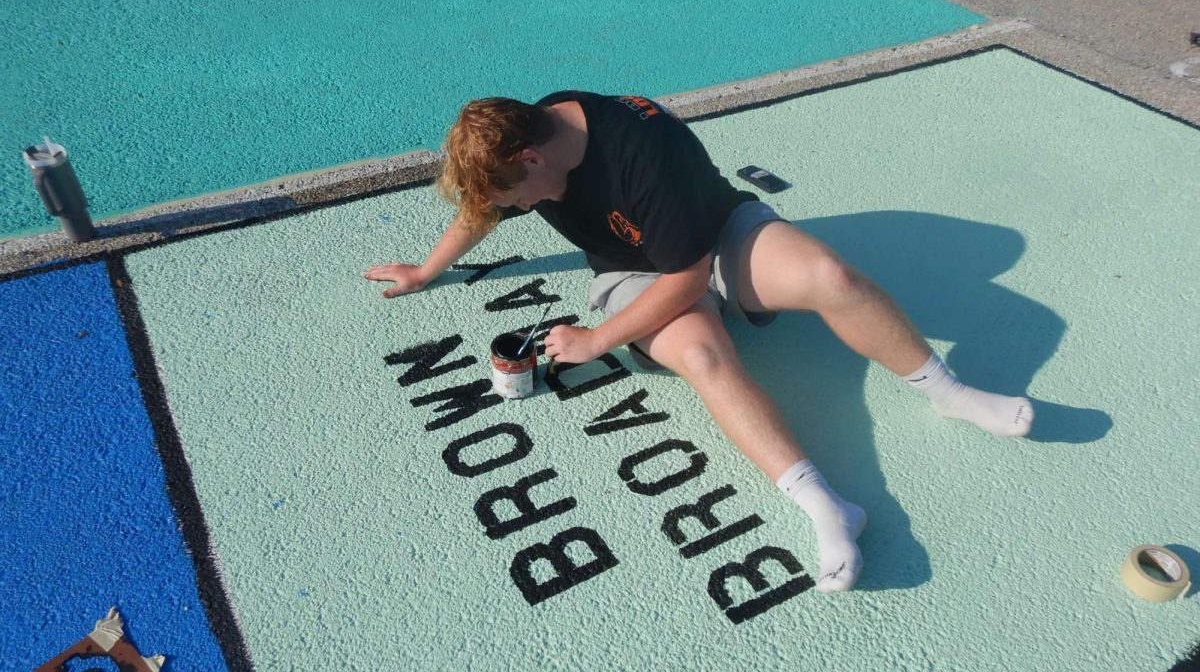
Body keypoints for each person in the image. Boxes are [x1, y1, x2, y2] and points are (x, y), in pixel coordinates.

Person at [365, 91, 1034, 592]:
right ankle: (826, 506)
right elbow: (484, 204)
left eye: (517, 198)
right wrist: (427, 270)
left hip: (712, 239)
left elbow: (687, 276)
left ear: (532, 157)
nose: (512, 211)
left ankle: (948, 392)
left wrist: (598, 340)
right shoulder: (526, 133)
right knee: (702, 354)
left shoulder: (642, 146)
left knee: (832, 276)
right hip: (630, 270)